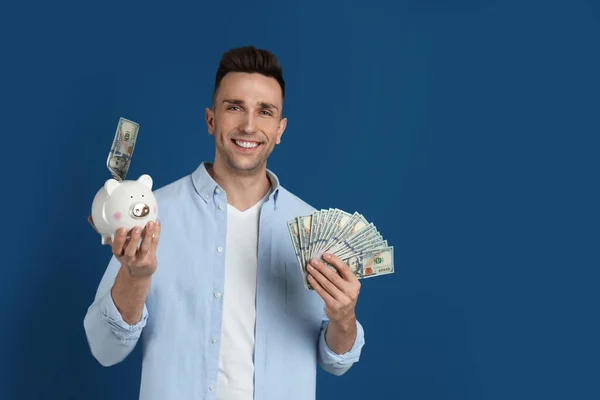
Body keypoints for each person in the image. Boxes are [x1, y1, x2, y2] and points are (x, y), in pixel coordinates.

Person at [83, 45, 366, 400]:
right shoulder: (151, 215)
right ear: (211, 119)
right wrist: (135, 277)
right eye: (235, 107)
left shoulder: (312, 229)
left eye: (264, 111)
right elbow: (105, 349)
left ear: (280, 129)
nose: (249, 125)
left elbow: (337, 361)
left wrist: (344, 319)